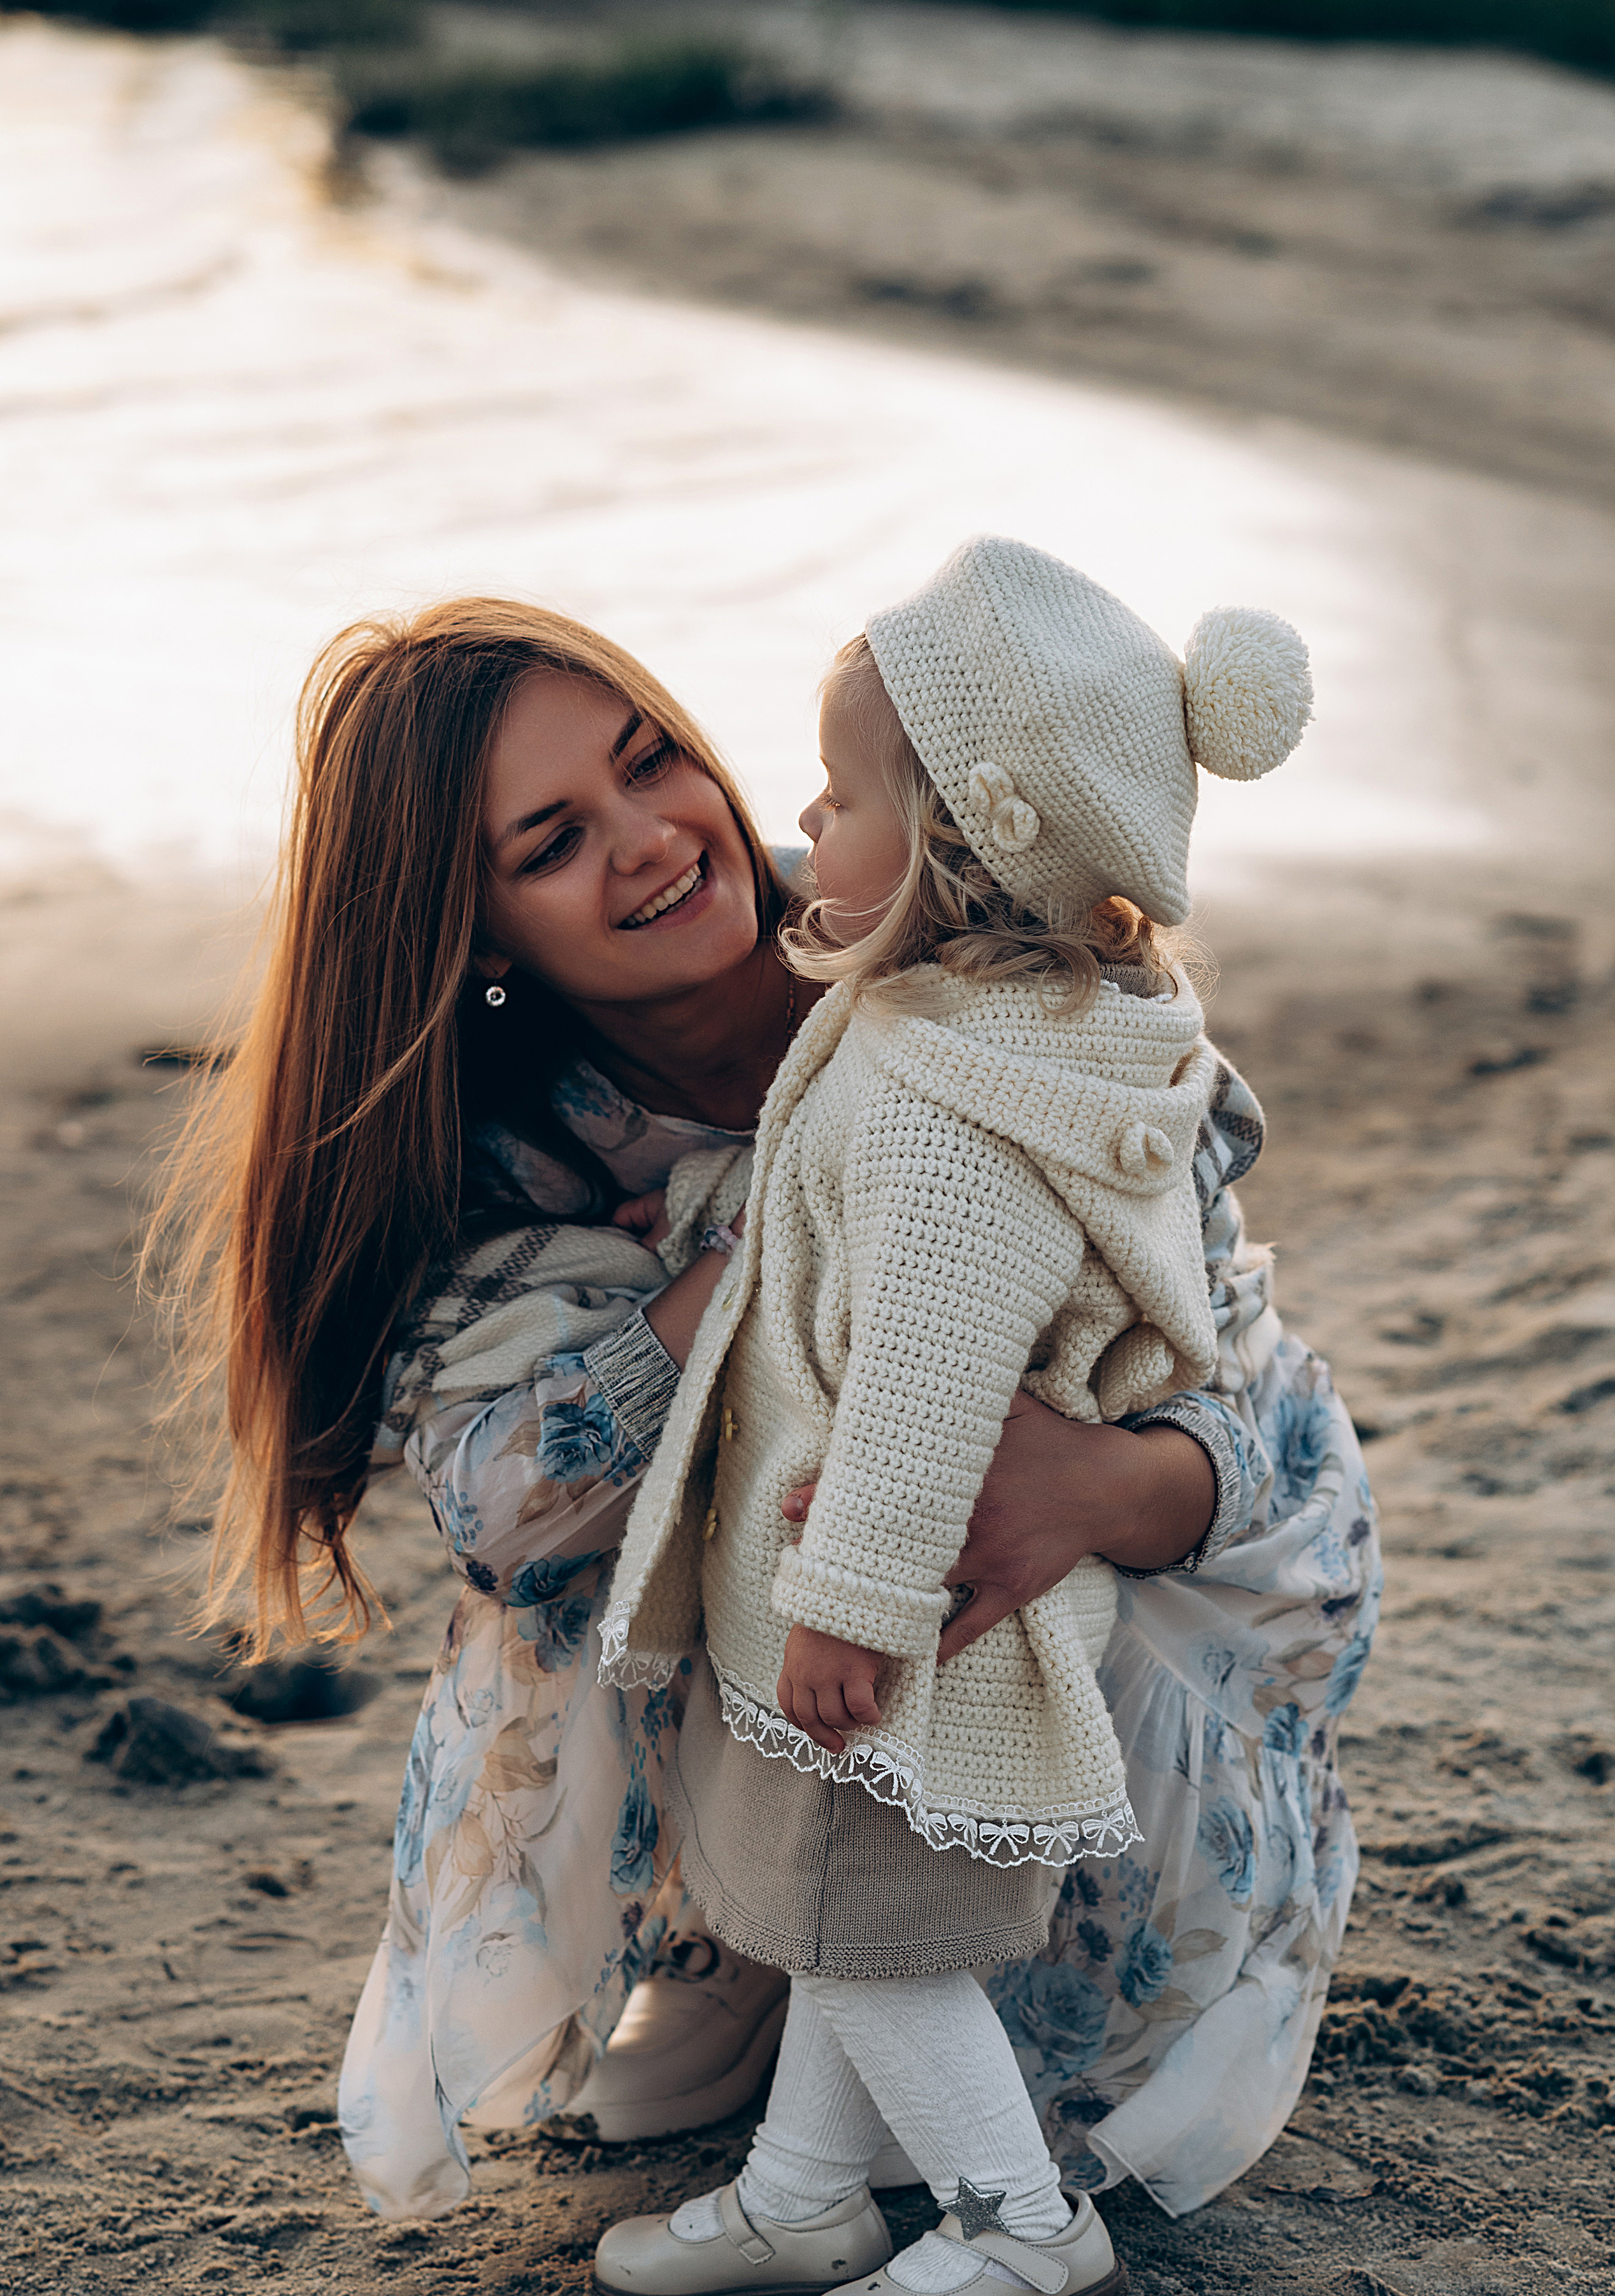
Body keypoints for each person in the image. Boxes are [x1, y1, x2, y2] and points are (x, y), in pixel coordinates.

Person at [159, 588, 1377, 2230]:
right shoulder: (504, 1143)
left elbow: (1254, 1393)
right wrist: (759, 1252)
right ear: (474, 932)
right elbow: (510, 1514)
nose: (654, 838)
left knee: (1092, 1473)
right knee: (592, 1557)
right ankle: (730, 1937)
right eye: (551, 842)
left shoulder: (957, 935)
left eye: (652, 760)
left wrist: (1095, 1488)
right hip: (765, 1645)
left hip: (1026, 1601)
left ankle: (1018, 1991)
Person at [589, 538, 1327, 2296]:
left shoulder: (951, 1105)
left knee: (861, 1937)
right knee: (850, 1914)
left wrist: (855, 1602)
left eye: (841, 795)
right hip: (879, 1603)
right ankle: (806, 2193)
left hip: (888, 1618)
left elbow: (926, 1378)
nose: (803, 819)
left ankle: (1020, 2221)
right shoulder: (980, 1025)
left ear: (963, 846)